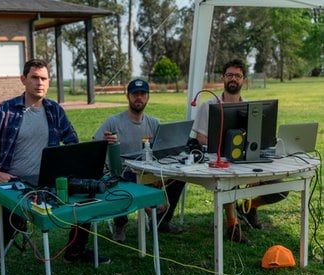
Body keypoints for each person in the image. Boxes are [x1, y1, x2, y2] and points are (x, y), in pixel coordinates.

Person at [0, 59, 109, 275]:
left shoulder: (54, 110)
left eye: (44, 78)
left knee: (85, 202)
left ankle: (75, 250)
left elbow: (72, 142)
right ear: (23, 80)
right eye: (34, 77)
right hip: (15, 182)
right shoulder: (7, 110)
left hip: (49, 180)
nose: (39, 83)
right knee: (9, 219)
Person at [192, 59, 288, 244]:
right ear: (223, 78)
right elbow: (200, 138)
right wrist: (224, 147)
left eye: (237, 75)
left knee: (281, 188)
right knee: (230, 182)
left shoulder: (252, 109)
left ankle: (250, 206)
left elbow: (261, 138)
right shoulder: (209, 105)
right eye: (229, 75)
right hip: (221, 161)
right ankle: (232, 226)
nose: (233, 79)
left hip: (248, 159)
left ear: (243, 79)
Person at [93, 78, 185, 243]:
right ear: (127, 96)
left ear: (148, 97)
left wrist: (160, 176)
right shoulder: (114, 122)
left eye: (143, 94)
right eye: (135, 94)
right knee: (124, 180)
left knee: (179, 178)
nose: (139, 98)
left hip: (149, 172)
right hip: (122, 173)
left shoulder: (155, 123)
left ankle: (161, 221)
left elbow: (163, 153)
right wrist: (104, 142)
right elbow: (94, 145)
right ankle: (121, 222)